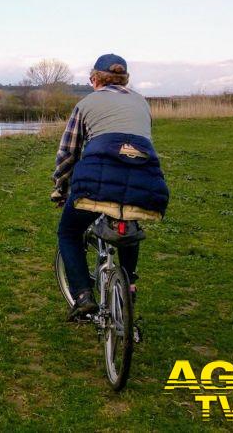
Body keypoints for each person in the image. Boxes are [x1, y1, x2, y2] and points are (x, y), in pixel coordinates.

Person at [51, 53, 169, 321]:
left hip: (96, 186)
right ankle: (129, 284)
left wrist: (60, 187)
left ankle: (82, 296)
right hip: (145, 182)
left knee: (68, 232)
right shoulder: (141, 102)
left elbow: (68, 154)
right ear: (124, 80)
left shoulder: (86, 103)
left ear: (95, 79)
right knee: (130, 223)